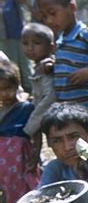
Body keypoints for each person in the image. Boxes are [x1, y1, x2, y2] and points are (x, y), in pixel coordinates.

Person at [36, 0, 88, 156]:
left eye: (52, 13)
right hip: (74, 115)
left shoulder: (87, 35)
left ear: (72, 7)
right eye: (44, 16)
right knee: (80, 155)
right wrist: (53, 66)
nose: (49, 20)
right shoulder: (60, 40)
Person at [0, 59, 40, 203]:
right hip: (4, 162)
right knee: (11, 192)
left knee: (29, 188)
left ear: (16, 85)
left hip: (22, 157)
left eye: (7, 88)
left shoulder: (26, 108)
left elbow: (36, 133)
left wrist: (36, 155)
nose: (4, 94)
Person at [20, 22, 56, 165]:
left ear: (51, 47)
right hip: (40, 104)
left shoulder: (46, 64)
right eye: (25, 43)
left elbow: (50, 94)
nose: (30, 48)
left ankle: (35, 159)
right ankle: (37, 159)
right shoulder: (37, 65)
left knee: (31, 128)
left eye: (36, 43)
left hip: (46, 106)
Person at [0, 0, 34, 93]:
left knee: (25, 62)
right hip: (4, 37)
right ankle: (15, 89)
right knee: (10, 63)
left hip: (21, 33)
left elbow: (24, 1)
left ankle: (30, 87)